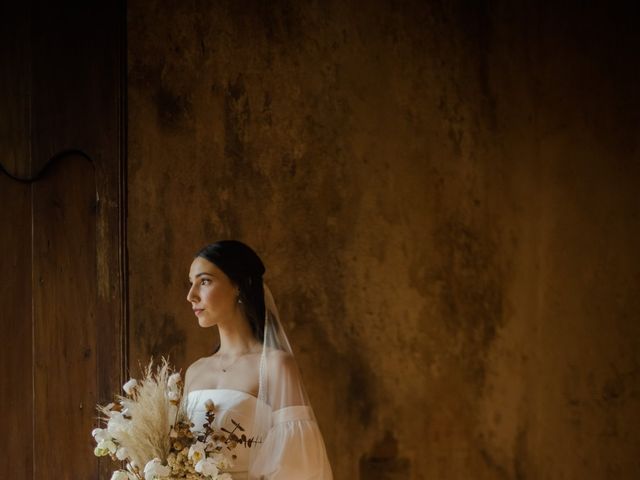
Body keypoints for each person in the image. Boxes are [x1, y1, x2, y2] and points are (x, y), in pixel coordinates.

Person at [184, 240, 333, 480]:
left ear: (238, 286)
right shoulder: (195, 372)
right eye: (191, 283)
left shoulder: (275, 366)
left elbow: (298, 466)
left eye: (204, 281)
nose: (191, 295)